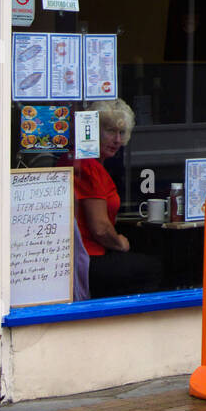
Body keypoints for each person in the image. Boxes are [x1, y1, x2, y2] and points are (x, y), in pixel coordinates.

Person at [73, 98, 163, 298]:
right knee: (154, 267)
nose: (117, 140)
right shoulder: (88, 166)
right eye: (110, 131)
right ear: (94, 131)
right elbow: (100, 228)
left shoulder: (86, 163)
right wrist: (120, 243)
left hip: (82, 258)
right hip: (88, 259)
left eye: (121, 133)